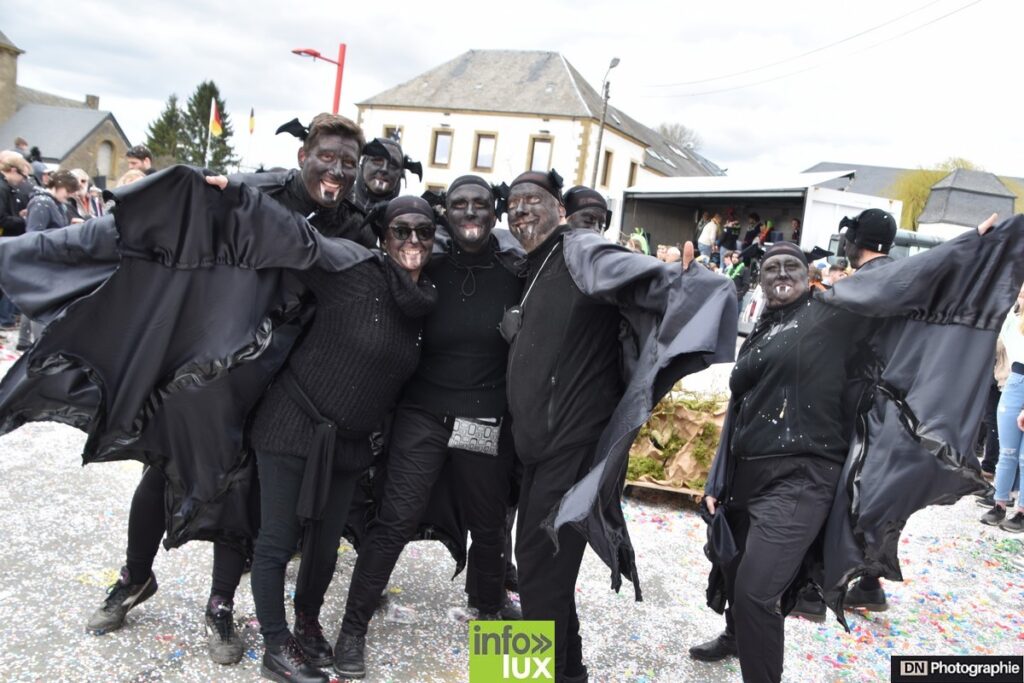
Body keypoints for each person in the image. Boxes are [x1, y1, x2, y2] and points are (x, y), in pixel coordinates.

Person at [84, 113, 374, 667]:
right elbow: (188, 221)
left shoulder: (354, 226)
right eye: (327, 157)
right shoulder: (254, 190)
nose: (336, 170)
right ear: (302, 157)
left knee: (242, 489)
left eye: (347, 164)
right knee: (163, 470)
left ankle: (221, 604)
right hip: (209, 359)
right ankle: (134, 577)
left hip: (277, 377)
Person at [693, 214, 1021, 683]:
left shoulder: (829, 312)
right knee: (734, 565)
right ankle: (736, 635)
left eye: (792, 267)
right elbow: (741, 407)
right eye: (771, 268)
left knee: (755, 590)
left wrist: (970, 245)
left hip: (802, 479)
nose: (782, 275)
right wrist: (716, 478)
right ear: (759, 280)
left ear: (810, 278)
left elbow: (897, 279)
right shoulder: (761, 332)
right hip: (748, 474)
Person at [502, 169, 737, 681]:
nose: (521, 211)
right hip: (538, 449)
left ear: (559, 211)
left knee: (539, 573)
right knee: (546, 577)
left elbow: (657, 281)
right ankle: (570, 674)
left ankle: (524, 675)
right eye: (513, 204)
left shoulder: (579, 248)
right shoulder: (533, 264)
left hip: (572, 446)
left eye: (533, 201)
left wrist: (686, 282)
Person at [335, 176, 524, 679]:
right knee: (394, 520)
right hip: (424, 416)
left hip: (481, 417)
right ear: (445, 213)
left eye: (479, 204)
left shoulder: (515, 273)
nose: (469, 212)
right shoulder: (425, 267)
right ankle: (353, 628)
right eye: (459, 204)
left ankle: (494, 623)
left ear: (493, 212)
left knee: (488, 525)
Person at [248, 195, 437, 683]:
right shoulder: (354, 274)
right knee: (277, 539)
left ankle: (307, 622)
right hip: (293, 422)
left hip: (350, 442)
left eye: (424, 231)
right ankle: (275, 644)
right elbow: (295, 241)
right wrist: (238, 193)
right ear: (383, 236)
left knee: (326, 547)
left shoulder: (425, 304)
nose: (413, 240)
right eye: (402, 230)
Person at [980, 284, 1024, 532]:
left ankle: (1021, 510)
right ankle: (1000, 502)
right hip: (1013, 380)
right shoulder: (1011, 319)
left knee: (1023, 456)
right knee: (1007, 451)